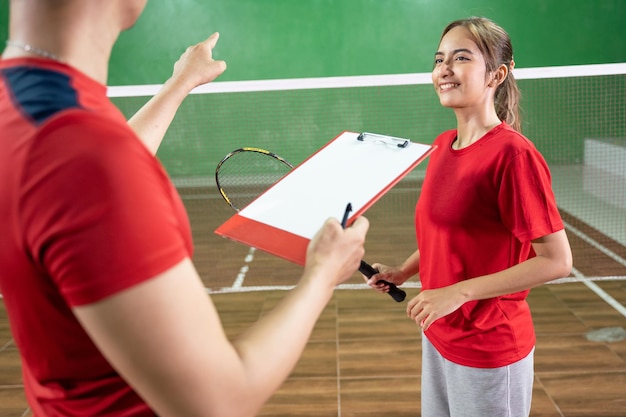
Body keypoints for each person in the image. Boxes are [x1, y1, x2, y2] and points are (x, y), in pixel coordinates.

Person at [0, 1, 369, 416]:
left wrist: (179, 84)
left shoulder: (22, 108)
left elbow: (80, 183)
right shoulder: (86, 157)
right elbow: (219, 403)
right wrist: (322, 273)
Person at [366, 17, 573, 417]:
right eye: (439, 59)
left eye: (461, 58)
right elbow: (444, 236)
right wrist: (403, 270)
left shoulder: (513, 155)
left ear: (496, 74)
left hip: (490, 345)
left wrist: (457, 292)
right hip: (439, 332)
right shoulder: (444, 145)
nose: (444, 69)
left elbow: (557, 261)